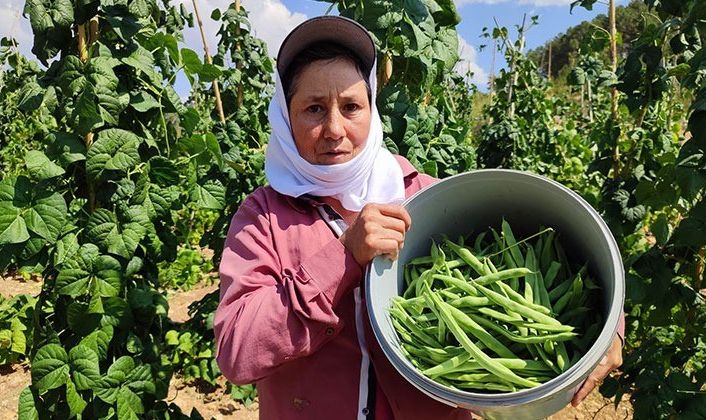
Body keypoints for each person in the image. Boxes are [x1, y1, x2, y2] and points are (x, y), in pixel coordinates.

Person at [214, 15, 624, 420]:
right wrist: (341, 258)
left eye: (351, 106)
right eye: (314, 108)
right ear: (286, 117)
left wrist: (609, 331)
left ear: (372, 110)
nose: (335, 128)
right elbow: (237, 352)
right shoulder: (264, 217)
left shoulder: (420, 194)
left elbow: (549, 251)